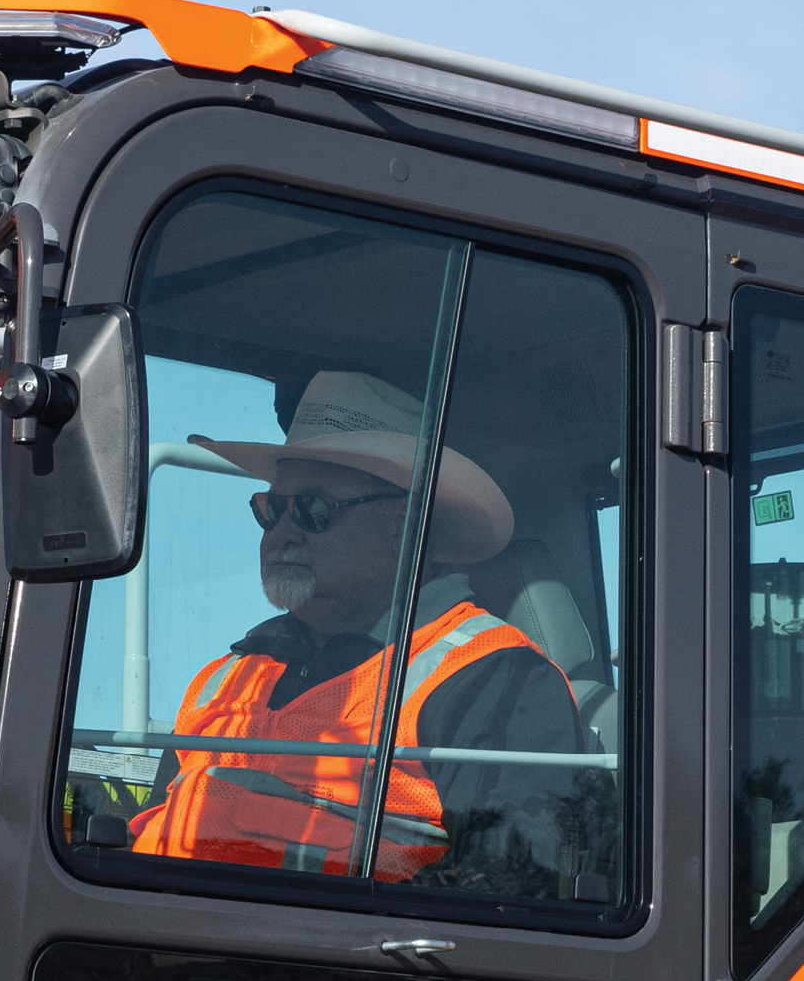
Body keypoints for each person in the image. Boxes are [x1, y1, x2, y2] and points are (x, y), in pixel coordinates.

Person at [125, 372, 584, 888]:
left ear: (405, 525)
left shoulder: (497, 677)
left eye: (313, 510)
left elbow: (504, 893)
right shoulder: (225, 677)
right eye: (270, 509)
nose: (281, 532)